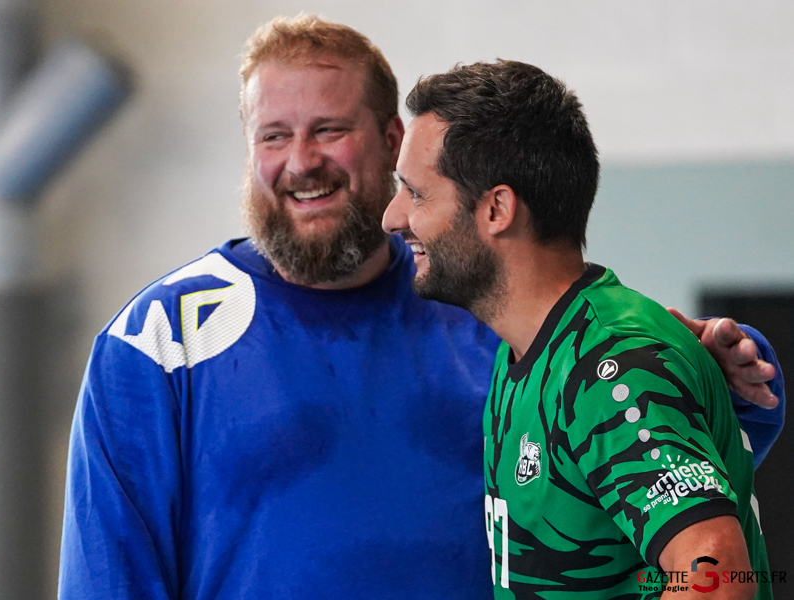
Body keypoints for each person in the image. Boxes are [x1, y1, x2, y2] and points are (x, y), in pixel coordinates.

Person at [59, 16, 783, 600]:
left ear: (391, 141)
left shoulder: (480, 300)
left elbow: (651, 453)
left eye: (330, 130)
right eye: (272, 136)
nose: (301, 160)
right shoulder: (157, 346)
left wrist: (707, 364)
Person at [382, 60, 774, 599]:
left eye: (416, 193)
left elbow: (719, 576)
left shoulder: (611, 366)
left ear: (497, 208)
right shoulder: (528, 351)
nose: (393, 217)